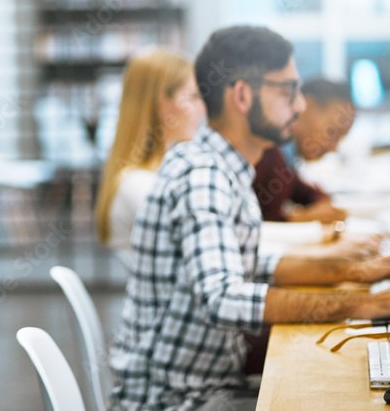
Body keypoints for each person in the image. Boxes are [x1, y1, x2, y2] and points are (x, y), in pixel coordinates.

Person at [109, 26, 390, 411]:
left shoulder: (224, 168)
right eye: (287, 90)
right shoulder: (203, 175)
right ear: (242, 95)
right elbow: (222, 297)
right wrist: (357, 306)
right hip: (178, 400)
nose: (301, 106)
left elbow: (251, 264)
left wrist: (355, 271)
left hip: (206, 384)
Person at [94, 47, 206, 257]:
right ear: (162, 103)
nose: (203, 109)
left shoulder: (155, 173)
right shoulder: (139, 184)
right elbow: (200, 247)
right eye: (193, 97)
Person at [253, 77, 355, 224]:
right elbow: (255, 221)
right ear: (307, 108)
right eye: (332, 132)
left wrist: (320, 200)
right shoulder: (265, 151)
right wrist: (299, 218)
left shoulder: (284, 155)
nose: (334, 147)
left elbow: (296, 188)